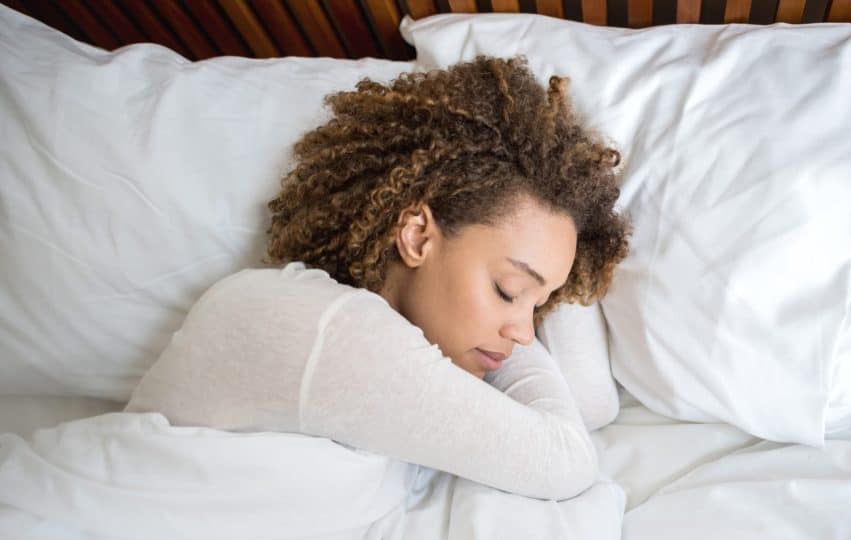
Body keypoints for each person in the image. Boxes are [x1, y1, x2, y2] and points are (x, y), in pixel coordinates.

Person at [127, 55, 632, 500]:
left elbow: (590, 405)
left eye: (539, 308)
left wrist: (551, 259)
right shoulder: (324, 328)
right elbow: (563, 460)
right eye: (508, 291)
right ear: (416, 236)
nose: (524, 333)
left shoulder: (399, 345)